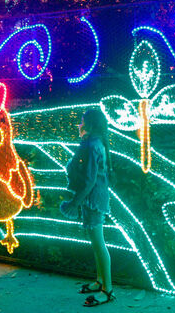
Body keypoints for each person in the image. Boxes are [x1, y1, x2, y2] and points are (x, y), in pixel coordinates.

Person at [60, 109, 115, 307]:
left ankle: (107, 290)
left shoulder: (92, 145)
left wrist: (75, 202)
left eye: (82, 121)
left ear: (90, 124)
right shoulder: (94, 143)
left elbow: (90, 179)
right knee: (96, 242)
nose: (79, 124)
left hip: (93, 200)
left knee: (99, 243)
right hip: (93, 198)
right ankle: (100, 281)